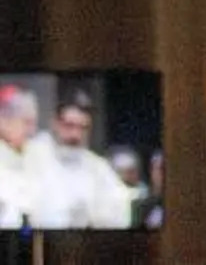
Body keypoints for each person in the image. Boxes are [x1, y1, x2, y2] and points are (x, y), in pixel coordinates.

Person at [32, 95, 133, 229]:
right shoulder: (34, 154)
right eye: (69, 126)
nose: (76, 135)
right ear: (55, 123)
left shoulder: (98, 167)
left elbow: (120, 214)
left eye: (83, 128)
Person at [0, 86, 42, 229]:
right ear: (3, 121)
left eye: (34, 123)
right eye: (26, 122)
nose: (32, 131)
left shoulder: (38, 156)